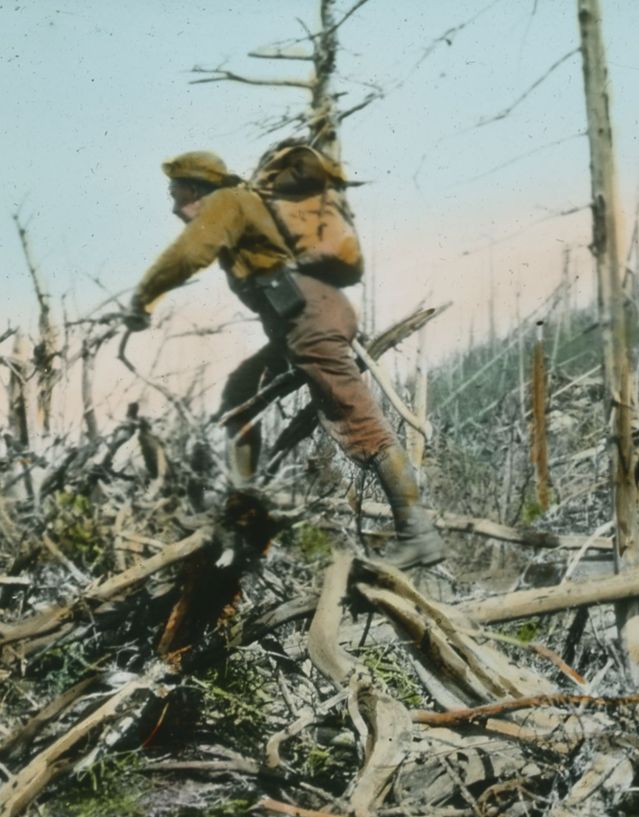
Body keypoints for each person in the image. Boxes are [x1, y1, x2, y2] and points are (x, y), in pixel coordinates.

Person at [126, 150, 444, 570]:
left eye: (175, 193)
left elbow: (189, 254)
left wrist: (143, 297)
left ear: (194, 187)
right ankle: (242, 508)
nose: (172, 205)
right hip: (304, 320)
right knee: (241, 395)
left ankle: (418, 535)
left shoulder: (225, 202)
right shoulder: (242, 204)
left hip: (311, 319)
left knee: (359, 421)